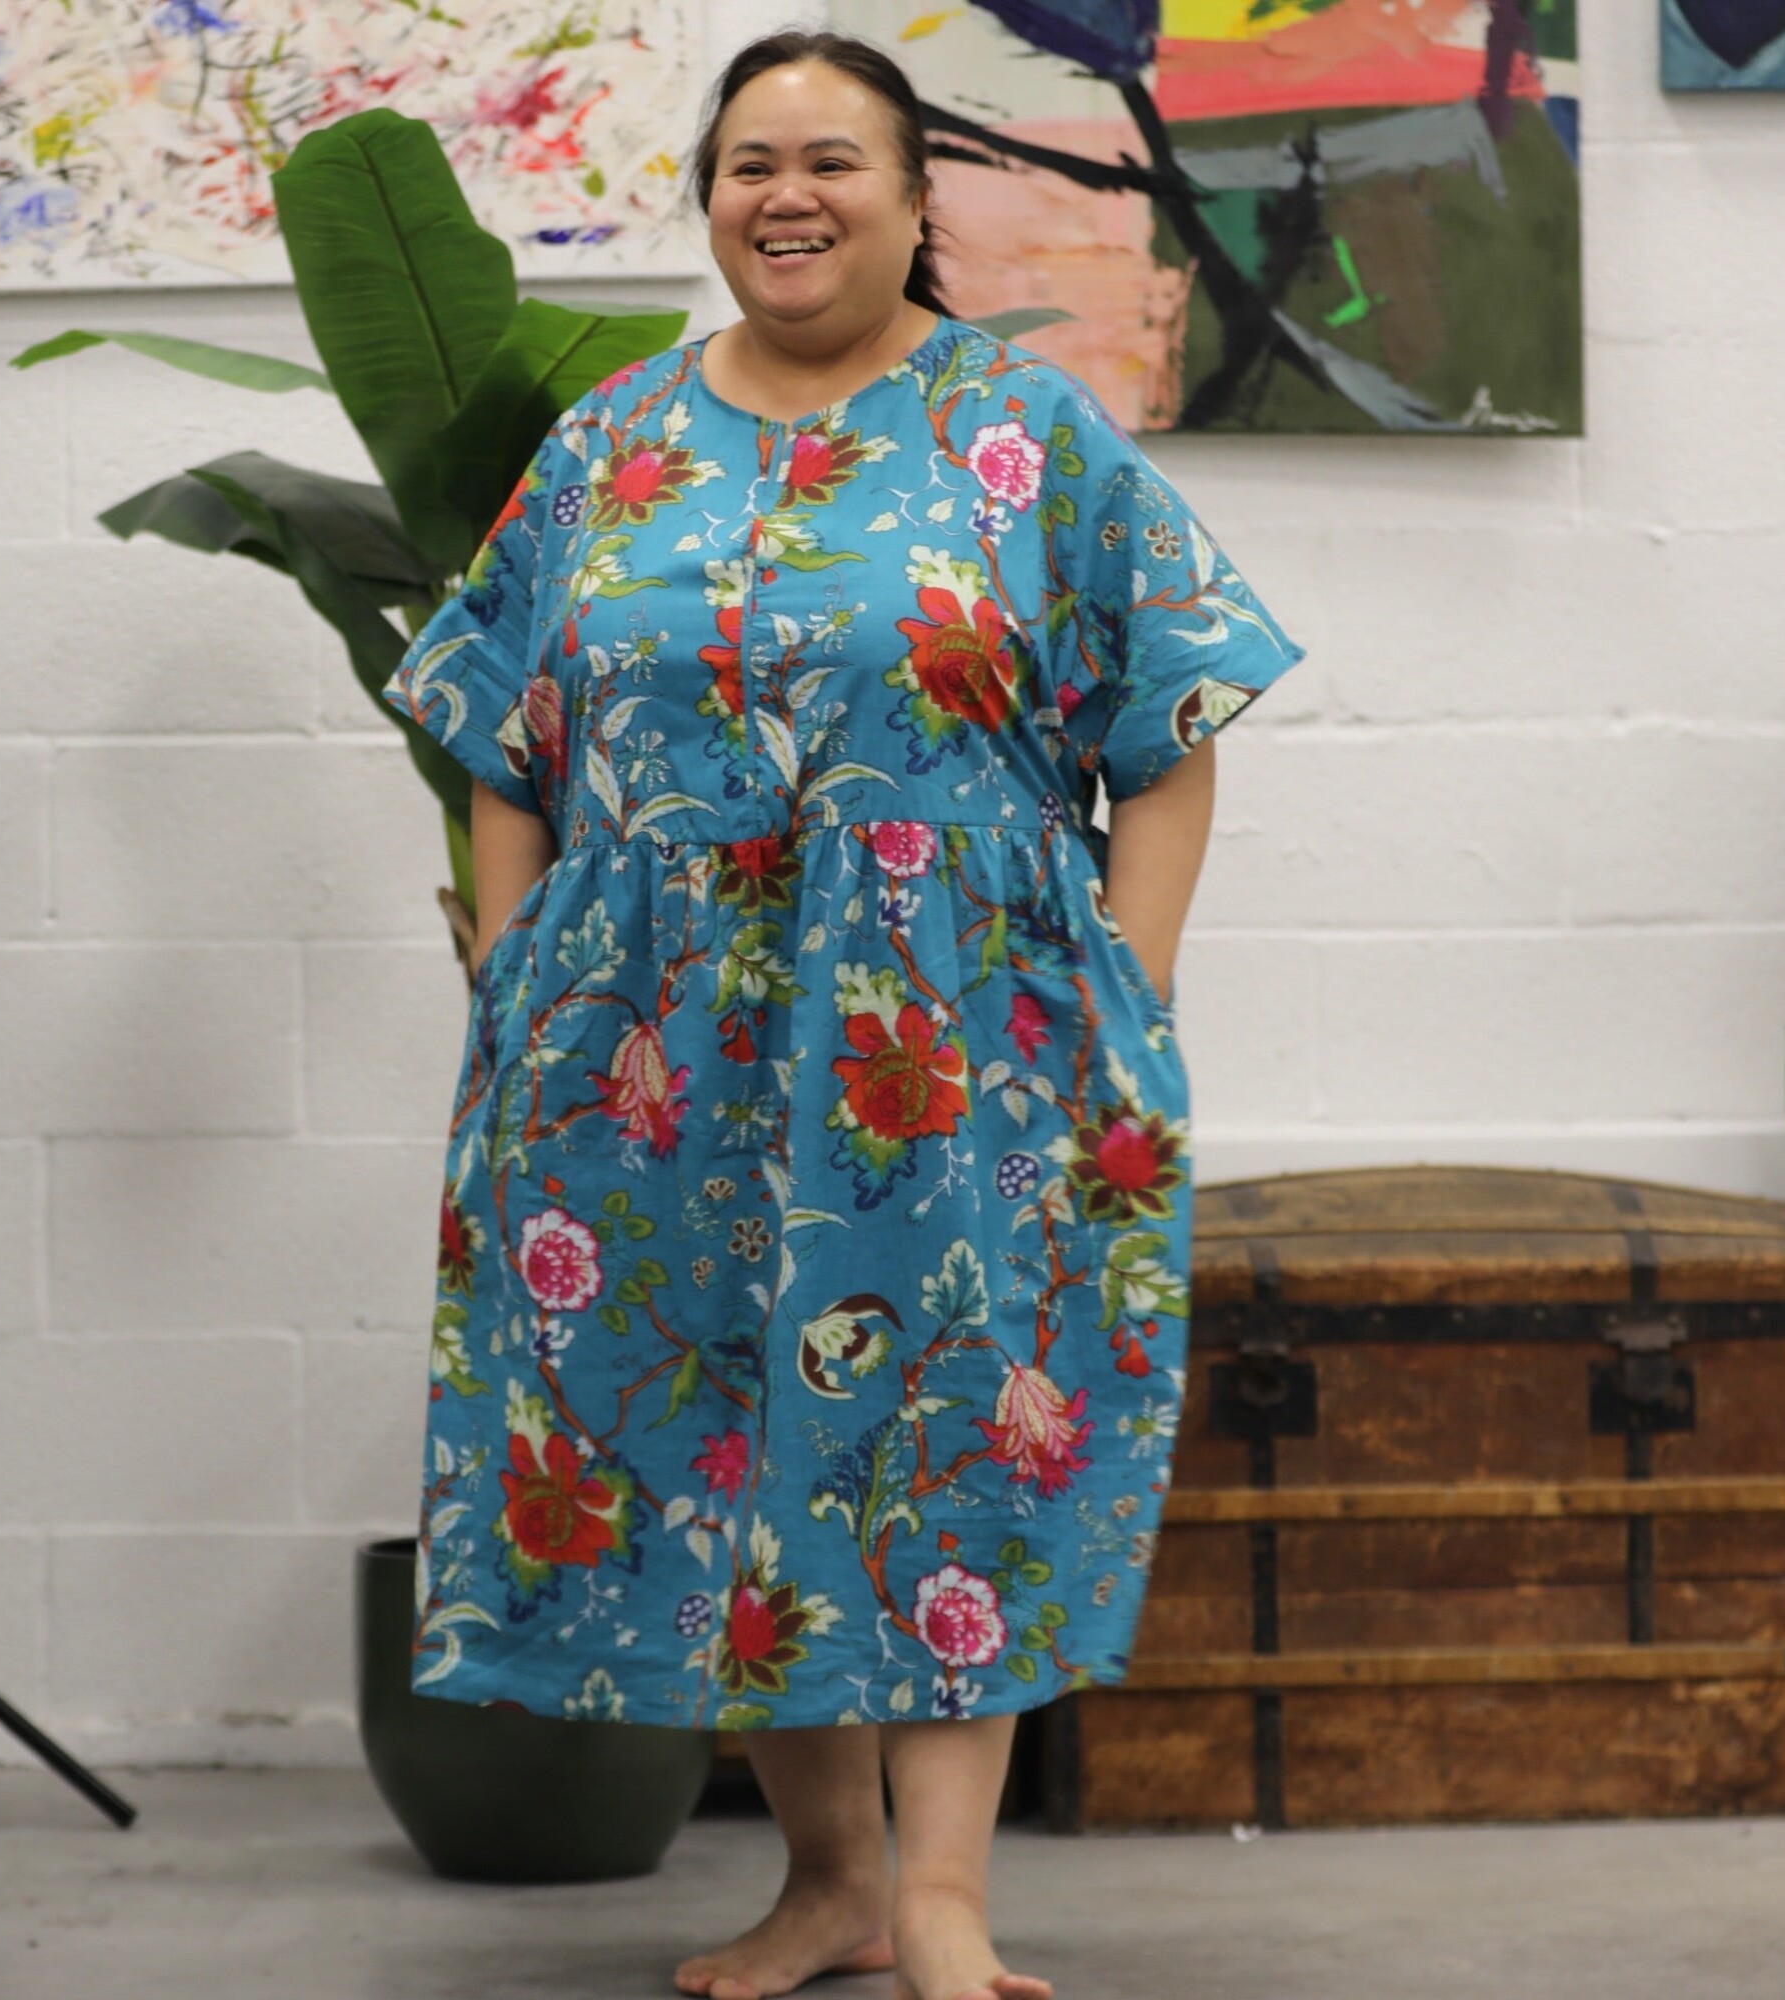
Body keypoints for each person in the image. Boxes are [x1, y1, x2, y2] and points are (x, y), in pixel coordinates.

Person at [379, 28, 1306, 2000]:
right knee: (725, 1433)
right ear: (711, 199)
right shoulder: (609, 442)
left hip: (949, 1045)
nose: (785, 195)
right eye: (749, 162)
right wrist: (515, 966)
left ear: (911, 195)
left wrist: (1124, 992)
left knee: (947, 1420)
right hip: (641, 1055)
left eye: (831, 160)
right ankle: (831, 1883)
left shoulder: (1023, 434)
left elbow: (1169, 726)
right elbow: (499, 729)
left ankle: (946, 1894)